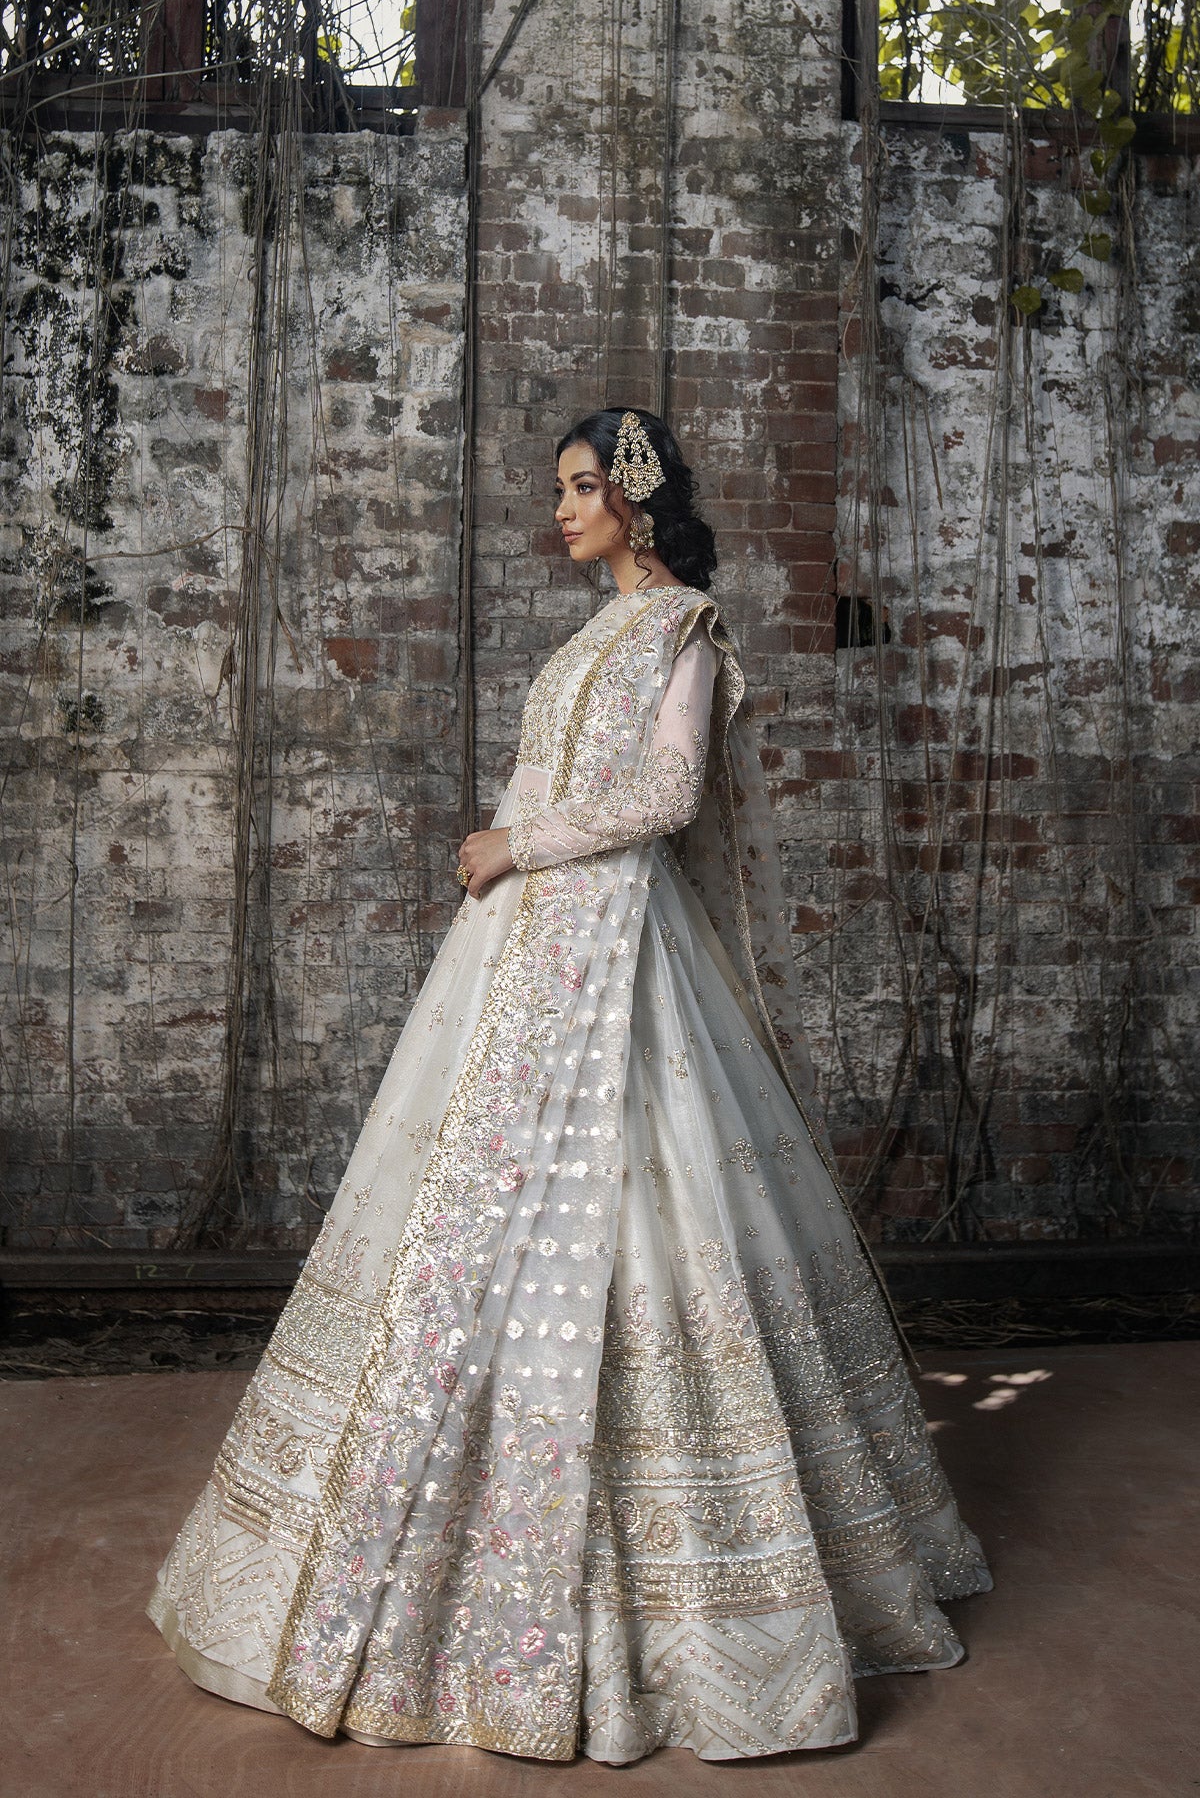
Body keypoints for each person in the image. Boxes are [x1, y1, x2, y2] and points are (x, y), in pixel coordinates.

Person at [148, 407, 991, 1764]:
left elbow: (664, 797)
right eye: (561, 490)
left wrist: (512, 841)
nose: (564, 509)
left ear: (641, 501)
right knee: (467, 1227)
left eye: (583, 488)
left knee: (652, 1227)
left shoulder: (681, 630)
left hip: (610, 946)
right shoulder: (590, 635)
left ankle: (704, 1598)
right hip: (525, 950)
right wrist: (512, 861)